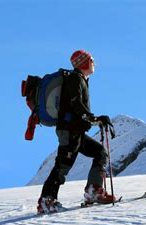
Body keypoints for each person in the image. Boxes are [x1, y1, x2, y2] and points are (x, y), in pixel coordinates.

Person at [37, 49, 116, 215]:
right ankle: (46, 201)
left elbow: (77, 107)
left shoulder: (81, 79)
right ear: (84, 62)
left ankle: (93, 191)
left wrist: (95, 120)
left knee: (100, 152)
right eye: (91, 59)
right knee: (62, 166)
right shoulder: (75, 79)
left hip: (75, 131)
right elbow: (76, 104)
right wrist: (95, 119)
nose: (94, 62)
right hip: (69, 130)